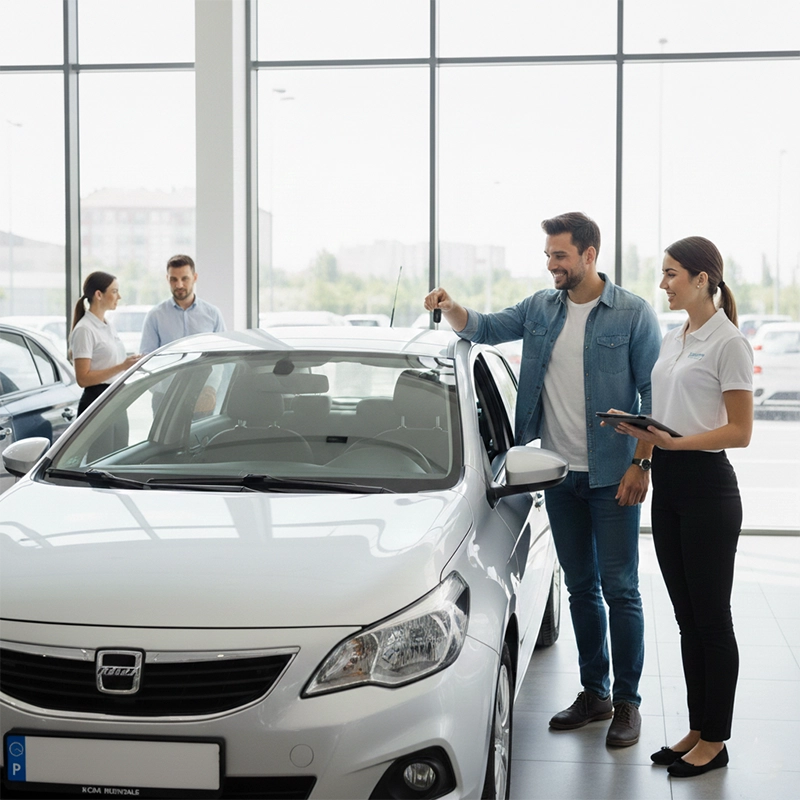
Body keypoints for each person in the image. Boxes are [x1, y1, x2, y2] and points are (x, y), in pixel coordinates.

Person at [424, 211, 661, 747]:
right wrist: (450, 306)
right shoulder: (539, 309)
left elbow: (653, 393)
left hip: (613, 475)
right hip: (558, 475)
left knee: (621, 590)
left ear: (589, 255)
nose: (551, 264)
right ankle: (594, 693)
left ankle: (627, 703)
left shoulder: (632, 314)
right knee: (581, 589)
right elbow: (483, 327)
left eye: (560, 255)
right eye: (548, 255)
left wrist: (641, 463)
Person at [607, 236, 752, 777]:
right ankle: (698, 727)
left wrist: (672, 444)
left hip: (709, 488)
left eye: (671, 274)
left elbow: (739, 432)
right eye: (662, 274)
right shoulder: (675, 337)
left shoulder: (728, 342)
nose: (663, 284)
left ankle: (717, 738)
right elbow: (663, 410)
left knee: (713, 619)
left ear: (701, 278)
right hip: (667, 485)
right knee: (688, 619)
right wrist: (643, 448)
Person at [70, 271, 141, 416]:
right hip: (96, 402)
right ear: (98, 295)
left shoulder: (108, 325)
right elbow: (83, 378)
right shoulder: (84, 329)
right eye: (114, 291)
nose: (119, 297)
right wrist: (122, 366)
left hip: (114, 398)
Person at [139, 254, 226, 354]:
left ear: (195, 277)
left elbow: (223, 354)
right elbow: (146, 358)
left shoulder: (213, 314)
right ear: (167, 279)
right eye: (174, 279)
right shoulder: (155, 316)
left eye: (184, 279)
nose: (179, 285)